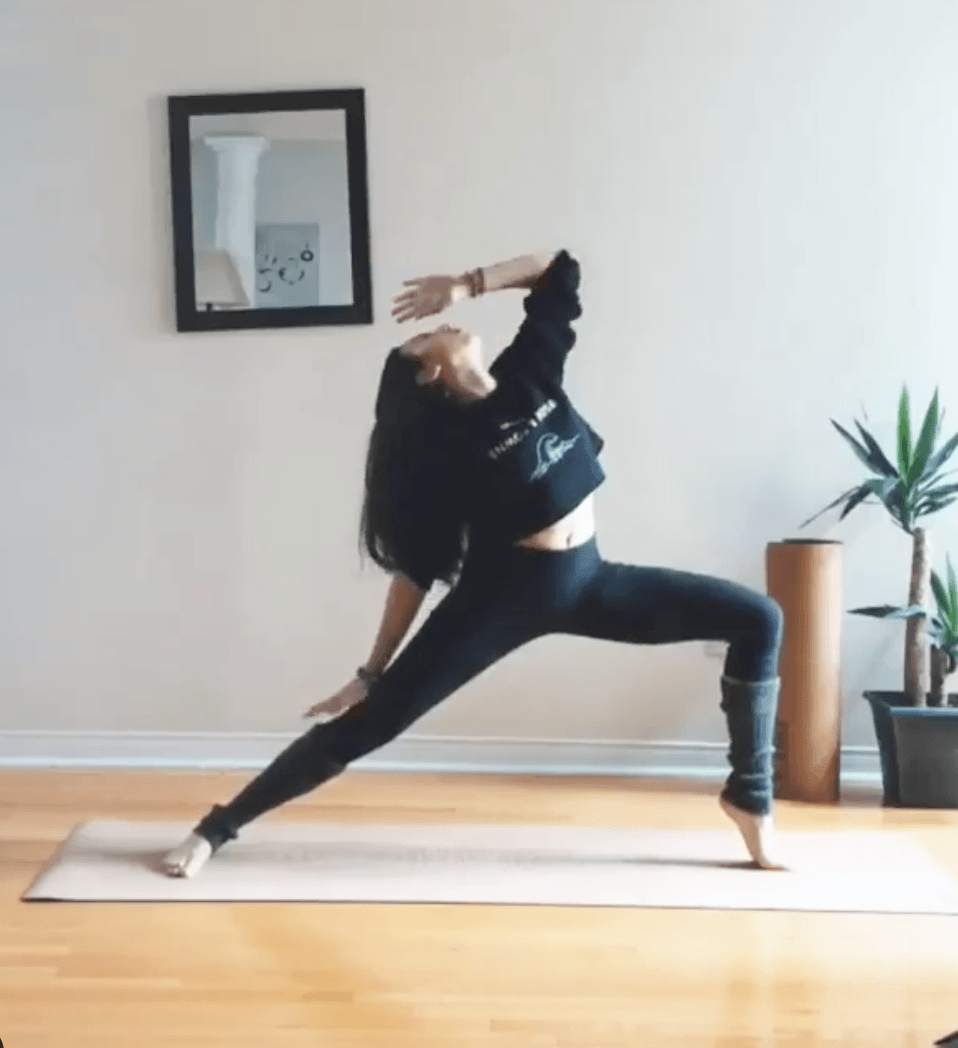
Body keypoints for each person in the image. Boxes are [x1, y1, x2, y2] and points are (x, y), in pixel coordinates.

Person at [163, 249, 787, 879]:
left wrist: (466, 285)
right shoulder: (445, 452)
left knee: (759, 619)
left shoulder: (530, 373)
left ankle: (749, 797)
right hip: (501, 600)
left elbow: (559, 269)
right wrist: (372, 672)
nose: (440, 327)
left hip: (590, 581)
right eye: (423, 339)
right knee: (370, 725)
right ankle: (217, 827)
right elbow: (415, 570)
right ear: (430, 374)